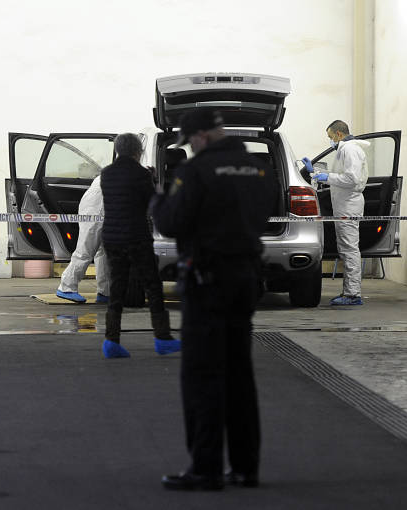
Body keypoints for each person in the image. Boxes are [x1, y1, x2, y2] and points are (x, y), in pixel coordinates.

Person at [151, 110, 277, 491]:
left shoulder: (195, 171)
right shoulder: (258, 170)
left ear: (201, 136)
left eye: (190, 142)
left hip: (207, 282)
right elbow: (262, 215)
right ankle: (245, 467)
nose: (189, 149)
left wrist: (157, 202)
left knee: (203, 375)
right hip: (246, 279)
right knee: (239, 374)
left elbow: (170, 222)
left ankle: (205, 468)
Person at [100, 133, 180, 359]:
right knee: (153, 286)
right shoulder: (141, 174)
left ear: (118, 150)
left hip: (112, 238)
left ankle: (111, 341)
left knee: (117, 289)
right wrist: (152, 181)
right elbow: (152, 203)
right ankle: (163, 339)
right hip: (136, 238)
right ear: (138, 151)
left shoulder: (106, 173)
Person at [302, 120, 369, 306]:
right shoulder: (345, 150)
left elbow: (352, 179)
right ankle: (350, 292)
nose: (330, 141)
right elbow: (341, 175)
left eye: (331, 137)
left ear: (339, 134)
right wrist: (315, 172)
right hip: (344, 205)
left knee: (349, 249)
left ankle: (353, 295)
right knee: (346, 249)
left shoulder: (350, 149)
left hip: (349, 206)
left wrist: (327, 177)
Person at [55, 171, 110, 304]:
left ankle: (105, 292)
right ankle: (66, 287)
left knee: (103, 251)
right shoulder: (132, 171)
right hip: (96, 207)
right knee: (86, 248)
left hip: (102, 204)